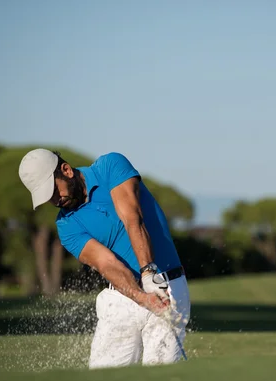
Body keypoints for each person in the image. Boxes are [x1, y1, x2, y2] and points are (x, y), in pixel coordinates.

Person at [18, 148, 191, 368]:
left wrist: (148, 274)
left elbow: (132, 218)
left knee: (159, 380)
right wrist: (141, 297)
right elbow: (106, 263)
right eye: (47, 198)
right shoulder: (67, 226)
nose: (54, 200)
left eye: (53, 190)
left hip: (166, 286)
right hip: (120, 298)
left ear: (66, 170)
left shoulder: (110, 167)